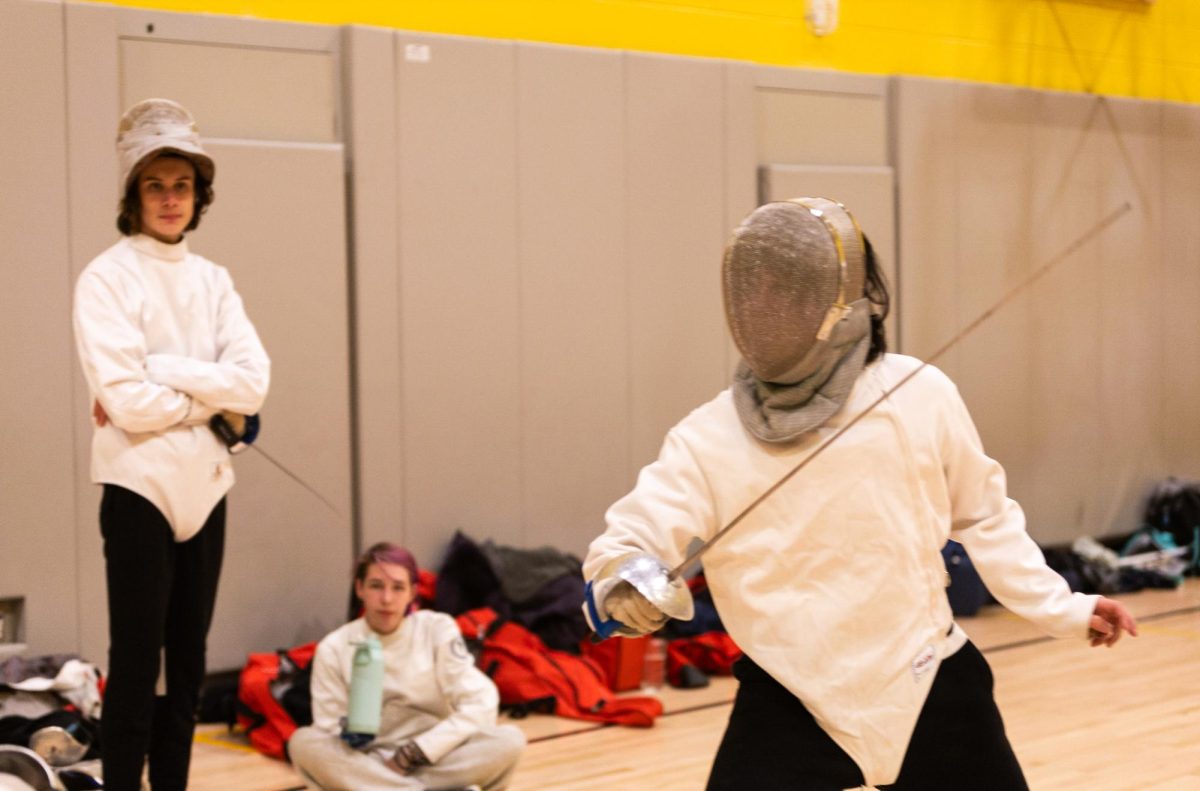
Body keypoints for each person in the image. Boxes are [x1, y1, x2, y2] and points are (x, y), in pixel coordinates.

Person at [582, 198, 1138, 790]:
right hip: (791, 693)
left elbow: (985, 517)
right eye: (756, 289)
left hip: (923, 679)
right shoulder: (707, 438)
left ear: (838, 301)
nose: (764, 306)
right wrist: (623, 581)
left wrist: (1065, 608)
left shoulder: (918, 394)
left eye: (784, 291)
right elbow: (632, 535)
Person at [73, 98, 271, 790]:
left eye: (181, 184)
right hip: (139, 488)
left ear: (199, 194)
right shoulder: (106, 277)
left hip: (207, 488)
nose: (169, 198)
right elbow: (125, 402)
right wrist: (208, 400)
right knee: (135, 664)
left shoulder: (214, 281)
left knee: (187, 664)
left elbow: (253, 384)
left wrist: (164, 372)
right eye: (155, 184)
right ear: (134, 192)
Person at [289, 543, 525, 791]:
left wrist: (416, 752)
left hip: (434, 757)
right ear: (360, 588)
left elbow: (480, 702)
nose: (387, 599)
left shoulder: (437, 629)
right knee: (303, 743)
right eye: (376, 586)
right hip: (368, 764)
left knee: (509, 740)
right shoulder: (334, 647)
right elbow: (328, 730)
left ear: (413, 592)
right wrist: (352, 732)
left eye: (398, 587)